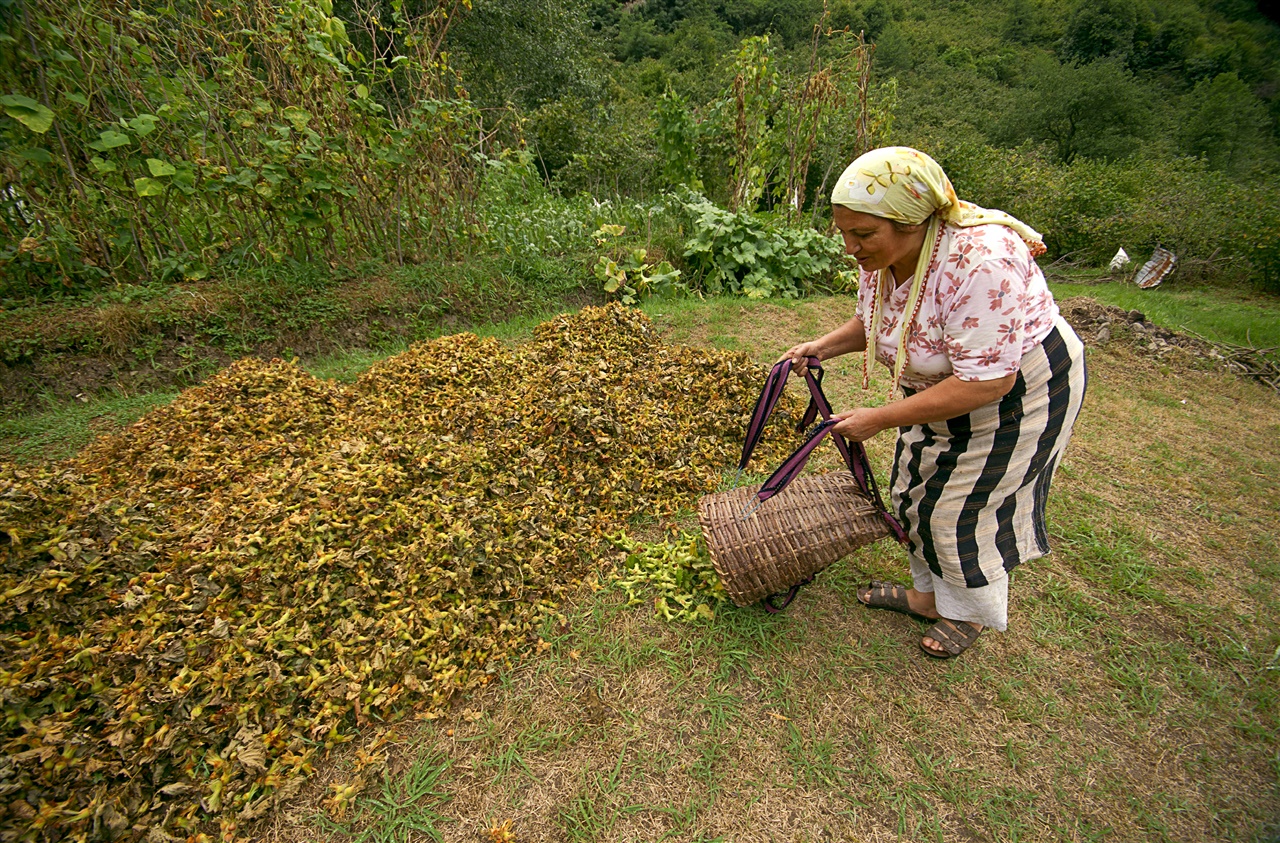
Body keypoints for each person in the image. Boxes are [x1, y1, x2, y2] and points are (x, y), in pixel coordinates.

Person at [780, 146, 1086, 658]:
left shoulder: (981, 261)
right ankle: (927, 597)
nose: (851, 247)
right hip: (942, 387)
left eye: (862, 234)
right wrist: (821, 347)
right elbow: (875, 322)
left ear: (912, 220)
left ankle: (966, 614)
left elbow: (987, 384)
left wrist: (879, 419)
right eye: (845, 233)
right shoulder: (884, 257)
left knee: (959, 510)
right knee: (913, 492)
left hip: (1016, 394)